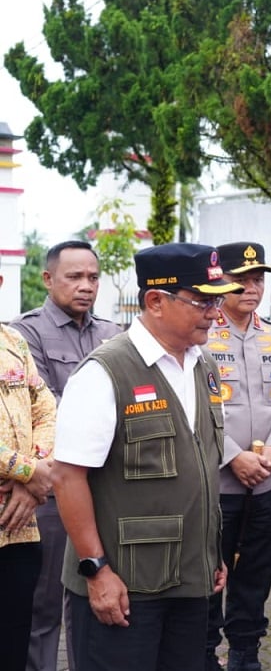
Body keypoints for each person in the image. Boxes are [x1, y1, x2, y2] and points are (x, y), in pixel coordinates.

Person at [51, 243, 240, 670]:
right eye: (203, 302)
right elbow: (67, 477)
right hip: (124, 588)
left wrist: (211, 553)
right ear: (155, 301)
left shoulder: (203, 365)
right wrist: (96, 571)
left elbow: (201, 464)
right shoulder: (105, 372)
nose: (215, 313)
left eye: (217, 300)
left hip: (189, 582)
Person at [11, 240, 121, 671]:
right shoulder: (25, 334)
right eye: (74, 277)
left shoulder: (112, 334)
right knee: (43, 607)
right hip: (52, 492)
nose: (85, 286)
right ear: (48, 279)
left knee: (97, 595)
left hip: (107, 491)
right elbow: (44, 409)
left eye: (92, 277)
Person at [206, 242, 271, 671]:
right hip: (217, 484)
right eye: (242, 279)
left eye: (258, 279)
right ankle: (205, 653)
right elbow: (196, 407)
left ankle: (245, 655)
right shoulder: (202, 335)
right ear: (220, 282)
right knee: (210, 574)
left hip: (263, 481)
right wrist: (233, 457)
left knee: (257, 572)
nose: (252, 287)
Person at [0, 290, 57, 671]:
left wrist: (34, 476)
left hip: (18, 524)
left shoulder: (13, 340)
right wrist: (29, 472)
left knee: (14, 635)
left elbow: (46, 407)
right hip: (20, 493)